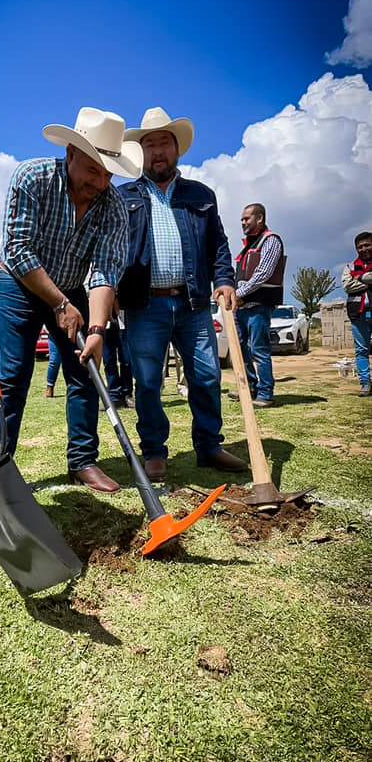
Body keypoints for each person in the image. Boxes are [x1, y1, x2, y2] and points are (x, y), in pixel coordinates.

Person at [0, 107, 142, 493]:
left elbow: (105, 271)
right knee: (14, 376)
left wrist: (98, 329)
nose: (101, 183)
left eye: (108, 173)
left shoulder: (114, 207)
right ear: (70, 153)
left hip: (71, 288)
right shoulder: (32, 177)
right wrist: (58, 305)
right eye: (93, 170)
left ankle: (82, 461)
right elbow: (19, 250)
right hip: (19, 283)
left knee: (86, 370)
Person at [118, 107, 247, 482]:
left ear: (177, 150)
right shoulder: (122, 197)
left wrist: (225, 280)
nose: (157, 151)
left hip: (193, 304)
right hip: (144, 305)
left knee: (206, 376)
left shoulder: (200, 195)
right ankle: (155, 452)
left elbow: (218, 245)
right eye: (150, 144)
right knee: (147, 381)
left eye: (164, 143)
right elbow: (110, 249)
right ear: (140, 153)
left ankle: (209, 446)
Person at [230, 203, 285, 408]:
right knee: (240, 348)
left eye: (247, 219)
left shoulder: (270, 241)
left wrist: (239, 293)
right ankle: (249, 387)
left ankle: (265, 392)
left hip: (258, 305)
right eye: (242, 219)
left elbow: (264, 273)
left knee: (260, 350)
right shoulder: (249, 245)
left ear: (259, 218)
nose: (243, 222)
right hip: (242, 307)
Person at [342, 231, 372, 397]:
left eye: (367, 245)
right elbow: (347, 286)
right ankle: (365, 383)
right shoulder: (350, 267)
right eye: (360, 247)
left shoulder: (356, 272)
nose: (364, 249)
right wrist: (367, 280)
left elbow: (354, 283)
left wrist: (359, 279)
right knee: (361, 351)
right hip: (358, 314)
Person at [102, 310, 134, 408]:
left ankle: (127, 394)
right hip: (105, 320)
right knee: (108, 360)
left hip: (123, 317)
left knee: (126, 360)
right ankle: (114, 396)